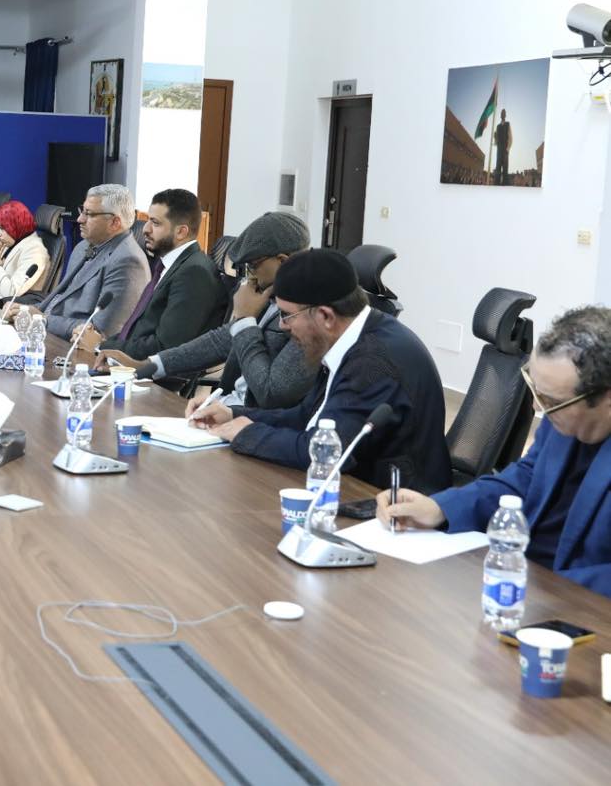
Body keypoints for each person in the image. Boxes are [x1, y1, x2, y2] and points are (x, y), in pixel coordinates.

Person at [378, 307, 611, 596]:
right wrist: (441, 508)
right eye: (534, 389)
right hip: (517, 583)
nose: (536, 408)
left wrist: (552, 589)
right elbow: (525, 478)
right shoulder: (564, 415)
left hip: (577, 603)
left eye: (550, 401)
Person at [192, 248, 451, 492]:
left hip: (389, 504)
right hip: (358, 487)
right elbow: (308, 416)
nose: (282, 326)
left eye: (287, 315)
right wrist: (233, 414)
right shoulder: (354, 337)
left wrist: (247, 433)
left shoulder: (372, 364)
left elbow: (324, 450)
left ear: (326, 316)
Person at [105, 211, 319, 408]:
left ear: (282, 262)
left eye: (253, 266)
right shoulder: (266, 294)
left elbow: (271, 392)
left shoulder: (308, 316)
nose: (250, 277)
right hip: (221, 410)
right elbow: (218, 341)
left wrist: (245, 321)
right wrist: (146, 366)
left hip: (250, 421)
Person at [87, 188, 225, 363]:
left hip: (152, 376)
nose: (145, 229)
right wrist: (101, 342)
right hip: (130, 364)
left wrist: (101, 346)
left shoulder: (194, 273)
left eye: (155, 223)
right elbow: (137, 331)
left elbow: (166, 347)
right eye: (148, 221)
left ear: (181, 232)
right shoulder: (169, 265)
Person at [25, 183, 148, 341]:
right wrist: (25, 311)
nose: (80, 219)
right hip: (49, 334)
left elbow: (100, 332)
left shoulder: (128, 262)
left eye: (89, 214)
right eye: (82, 211)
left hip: (73, 348)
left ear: (115, 222)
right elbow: (61, 298)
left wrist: (42, 320)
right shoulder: (83, 246)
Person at [0, 200, 50, 305]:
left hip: (2, 310)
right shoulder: (11, 243)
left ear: (17, 225)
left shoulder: (35, 251)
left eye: (2, 228)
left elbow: (12, 293)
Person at [494, 108, 512, 186]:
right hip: (499, 150)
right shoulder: (497, 126)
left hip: (505, 150)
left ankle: (505, 187)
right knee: (497, 170)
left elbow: (510, 138)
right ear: (500, 115)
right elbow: (496, 142)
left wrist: (507, 149)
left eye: (504, 113)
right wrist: (495, 138)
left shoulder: (508, 124)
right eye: (501, 113)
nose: (502, 114)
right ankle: (496, 186)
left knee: (505, 170)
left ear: (505, 115)